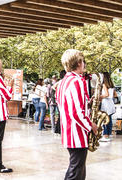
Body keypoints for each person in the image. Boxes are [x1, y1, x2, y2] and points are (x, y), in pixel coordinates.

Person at [56, 49, 97, 180]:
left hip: (68, 131)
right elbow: (76, 112)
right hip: (77, 133)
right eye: (83, 61)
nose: (84, 64)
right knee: (76, 172)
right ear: (79, 63)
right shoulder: (77, 81)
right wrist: (91, 125)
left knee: (77, 170)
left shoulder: (63, 82)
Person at [99, 72, 117, 142]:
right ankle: (108, 134)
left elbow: (106, 94)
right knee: (109, 119)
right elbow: (115, 95)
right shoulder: (112, 85)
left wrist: (100, 96)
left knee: (105, 119)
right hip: (111, 103)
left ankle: (105, 135)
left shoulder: (104, 85)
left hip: (106, 103)